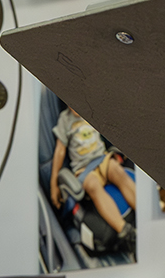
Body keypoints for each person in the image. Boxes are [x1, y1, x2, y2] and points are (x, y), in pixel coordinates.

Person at [49, 105, 136, 247]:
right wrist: (53, 184)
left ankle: (145, 215)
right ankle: (126, 232)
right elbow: (60, 151)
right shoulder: (65, 120)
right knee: (92, 185)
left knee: (118, 171)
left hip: (102, 159)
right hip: (84, 168)